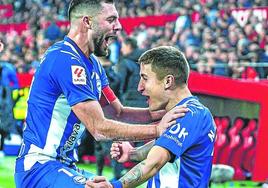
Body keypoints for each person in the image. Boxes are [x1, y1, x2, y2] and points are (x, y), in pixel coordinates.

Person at [14, 1, 188, 188]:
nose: (119, 26)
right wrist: (157, 129)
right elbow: (99, 128)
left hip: (64, 165)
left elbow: (117, 113)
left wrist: (162, 115)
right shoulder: (65, 59)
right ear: (87, 22)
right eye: (111, 19)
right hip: (39, 167)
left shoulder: (94, 64)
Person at [86, 46, 216, 188]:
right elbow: (163, 145)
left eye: (145, 78)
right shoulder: (186, 113)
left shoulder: (189, 114)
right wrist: (133, 154)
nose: (140, 87)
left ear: (168, 81)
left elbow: (154, 163)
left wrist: (115, 186)